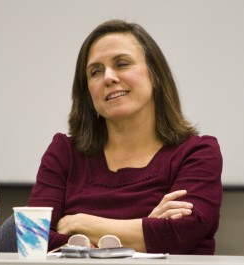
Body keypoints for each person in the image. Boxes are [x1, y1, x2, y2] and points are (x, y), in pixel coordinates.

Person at [28, 19, 223, 255]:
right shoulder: (64, 153)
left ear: (155, 75)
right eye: (95, 71)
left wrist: (78, 224)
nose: (109, 77)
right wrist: (148, 229)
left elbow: (180, 234)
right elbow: (33, 238)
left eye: (122, 64)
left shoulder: (197, 153)